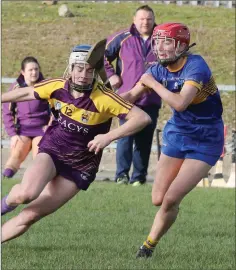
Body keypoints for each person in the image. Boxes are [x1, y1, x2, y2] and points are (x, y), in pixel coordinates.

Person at [1, 44, 151, 243]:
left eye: (89, 70)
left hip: (81, 165)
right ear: (70, 68)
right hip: (53, 150)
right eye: (79, 68)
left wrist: (108, 137)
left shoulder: (104, 98)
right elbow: (25, 93)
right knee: (25, 194)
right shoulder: (56, 86)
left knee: (30, 215)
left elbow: (142, 118)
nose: (83, 75)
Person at [121, 22, 224, 258]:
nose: (160, 47)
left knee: (171, 198)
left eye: (166, 42)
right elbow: (130, 96)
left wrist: (153, 83)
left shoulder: (196, 66)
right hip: (178, 133)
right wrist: (102, 98)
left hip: (206, 139)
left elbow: (180, 102)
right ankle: (168, 212)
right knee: (158, 199)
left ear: (181, 45)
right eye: (157, 42)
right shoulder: (157, 69)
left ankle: (147, 247)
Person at [104, 5, 161, 187]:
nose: (145, 22)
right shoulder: (122, 38)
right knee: (125, 137)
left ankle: (139, 177)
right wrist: (111, 74)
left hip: (151, 99)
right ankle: (121, 175)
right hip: (126, 99)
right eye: (142, 19)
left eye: (149, 19)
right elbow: (101, 56)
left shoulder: (162, 39)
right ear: (134, 20)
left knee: (144, 141)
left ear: (153, 20)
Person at [2, 57, 52, 179]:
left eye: (36, 69)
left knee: (39, 156)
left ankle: (36, 184)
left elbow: (56, 110)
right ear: (23, 72)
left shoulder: (46, 86)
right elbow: (7, 112)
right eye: (30, 70)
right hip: (22, 131)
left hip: (41, 130)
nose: (34, 72)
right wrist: (13, 134)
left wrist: (50, 127)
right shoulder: (16, 87)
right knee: (16, 154)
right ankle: (4, 179)